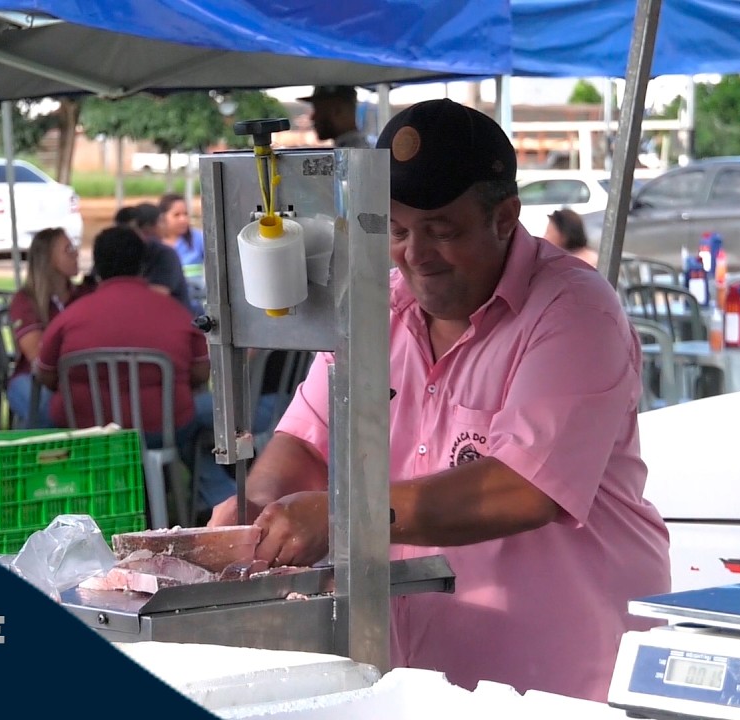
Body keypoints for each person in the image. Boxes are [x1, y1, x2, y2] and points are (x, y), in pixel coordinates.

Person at [209, 99, 670, 702]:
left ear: (505, 217)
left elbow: (523, 489)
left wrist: (344, 518)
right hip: (423, 673)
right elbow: (306, 440)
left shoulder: (574, 312)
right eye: (398, 231)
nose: (415, 255)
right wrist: (257, 511)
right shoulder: (377, 309)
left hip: (560, 675)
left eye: (442, 231)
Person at [35, 226, 235, 511]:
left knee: (44, 410)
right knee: (203, 413)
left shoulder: (70, 317)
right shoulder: (178, 315)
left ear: (97, 268)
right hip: (163, 428)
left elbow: (45, 374)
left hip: (85, 428)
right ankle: (213, 499)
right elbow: (201, 374)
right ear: (143, 265)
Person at [6, 228, 83, 428]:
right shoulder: (25, 301)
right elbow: (37, 355)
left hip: (78, 379)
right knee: (45, 407)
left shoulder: (84, 295)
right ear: (48, 259)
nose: (76, 253)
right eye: (68, 249)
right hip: (34, 378)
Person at [112, 204, 199, 314]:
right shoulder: (161, 252)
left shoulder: (161, 253)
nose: (164, 225)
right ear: (148, 227)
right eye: (161, 221)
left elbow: (157, 295)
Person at [157, 193, 207, 306]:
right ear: (162, 217)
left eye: (185, 214)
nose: (183, 219)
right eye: (177, 215)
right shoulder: (156, 244)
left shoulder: (198, 239)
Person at [298, 85, 371, 149]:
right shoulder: (355, 150)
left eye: (318, 110)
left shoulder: (354, 154)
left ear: (338, 110)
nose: (313, 117)